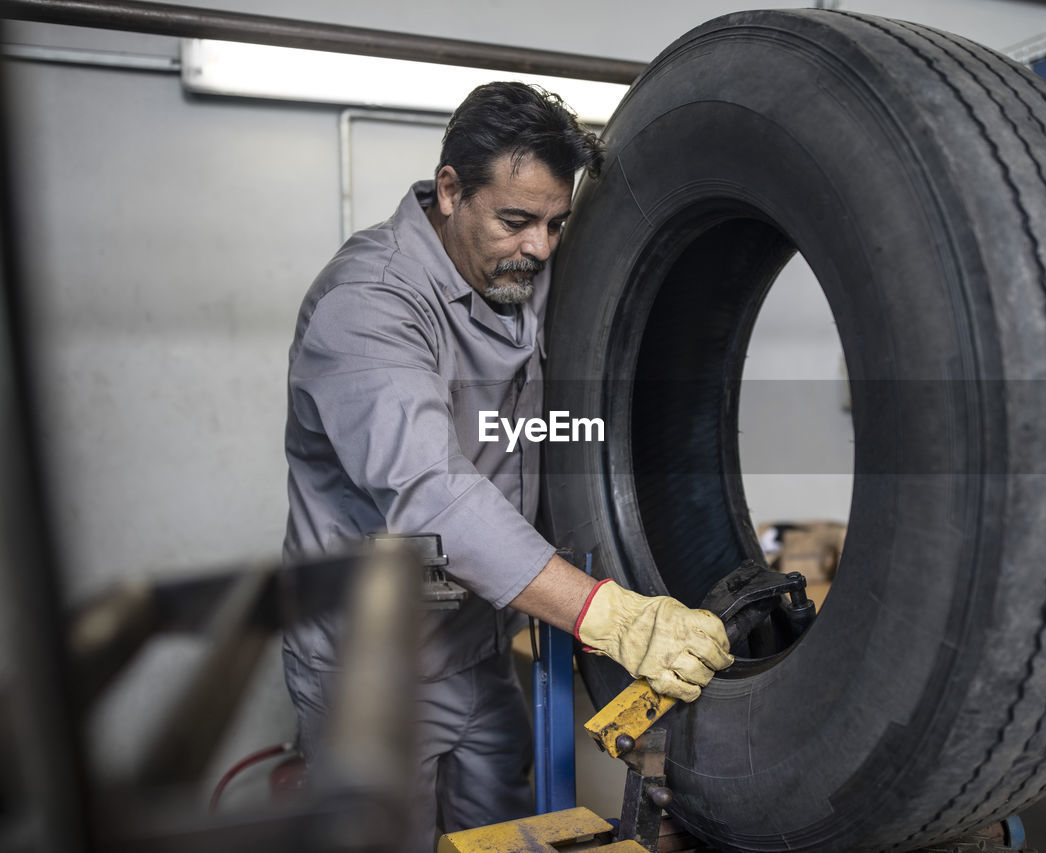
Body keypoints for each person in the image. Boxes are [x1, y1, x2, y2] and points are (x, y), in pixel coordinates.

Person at [279, 82, 733, 851]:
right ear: (450, 190)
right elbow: (433, 493)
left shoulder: (522, 264)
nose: (541, 247)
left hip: (477, 646)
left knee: (509, 835)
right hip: (368, 670)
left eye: (556, 223)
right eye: (517, 221)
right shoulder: (370, 304)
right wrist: (607, 614)